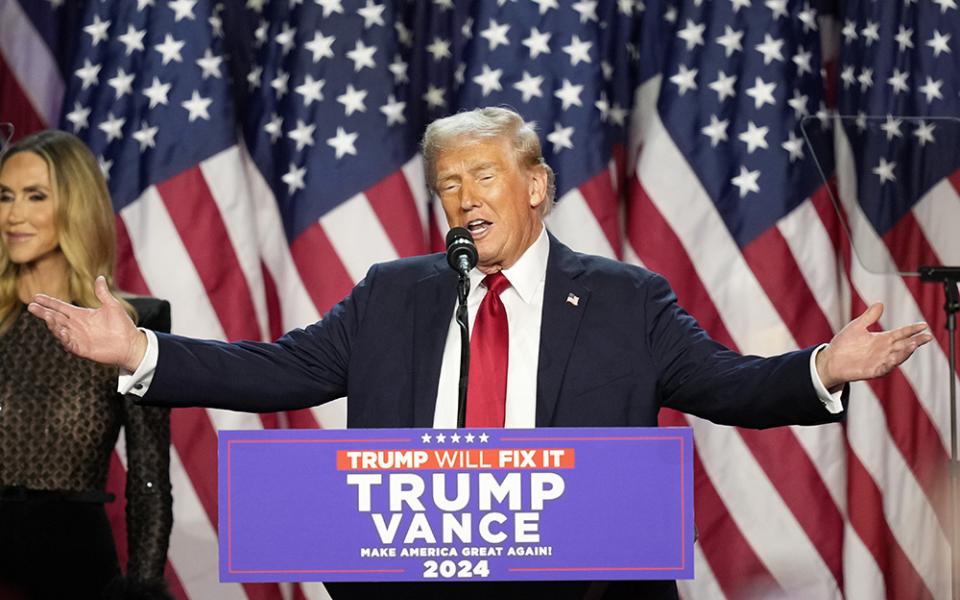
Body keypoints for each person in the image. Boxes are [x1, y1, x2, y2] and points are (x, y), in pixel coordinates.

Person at [27, 108, 931, 599]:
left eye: (483, 176)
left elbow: (724, 383)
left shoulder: (627, 299)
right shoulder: (394, 293)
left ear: (536, 185)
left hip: (582, 589)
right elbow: (280, 368)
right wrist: (142, 348)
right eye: (447, 185)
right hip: (413, 581)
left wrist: (822, 366)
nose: (462, 199)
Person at [0, 130, 173, 600]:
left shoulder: (132, 323)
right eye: (5, 196)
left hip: (75, 570)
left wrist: (142, 589)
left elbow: (149, 480)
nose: (13, 214)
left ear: (76, 206)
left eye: (35, 196)